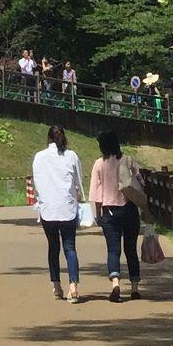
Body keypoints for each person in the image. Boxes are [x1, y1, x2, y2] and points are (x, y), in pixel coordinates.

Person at [31, 122, 85, 302]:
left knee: (53, 247)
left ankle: (56, 285)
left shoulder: (39, 157)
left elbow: (37, 184)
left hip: (48, 209)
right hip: (67, 207)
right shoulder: (71, 156)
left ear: (48, 138)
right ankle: (73, 286)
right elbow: (78, 181)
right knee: (70, 247)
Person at [89, 128, 144, 301]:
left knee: (113, 250)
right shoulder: (128, 160)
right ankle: (134, 287)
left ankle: (115, 285)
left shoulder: (99, 164)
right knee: (131, 249)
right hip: (129, 210)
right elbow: (141, 183)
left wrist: (98, 215)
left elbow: (96, 193)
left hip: (109, 211)